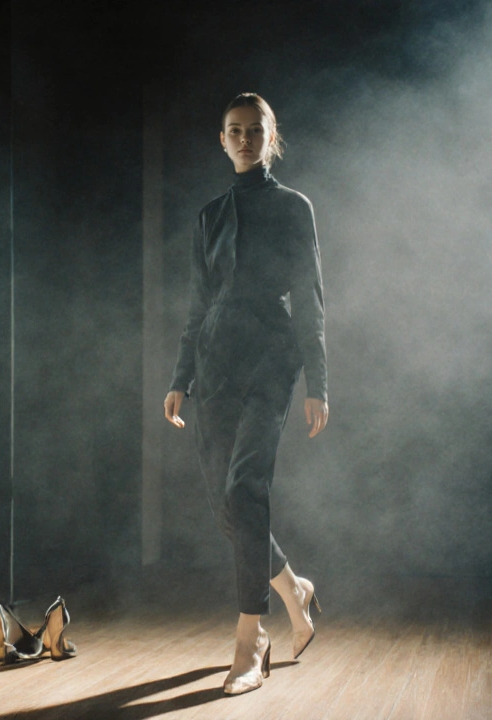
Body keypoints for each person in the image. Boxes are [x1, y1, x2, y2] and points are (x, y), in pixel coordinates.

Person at [164, 93, 329, 696]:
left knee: (245, 487)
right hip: (214, 364)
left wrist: (318, 381)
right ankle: (293, 588)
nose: (243, 139)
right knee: (225, 506)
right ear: (222, 139)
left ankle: (250, 638)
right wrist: (180, 377)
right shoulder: (209, 215)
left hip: (270, 359)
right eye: (233, 131)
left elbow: (310, 297)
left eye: (253, 130)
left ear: (270, 136)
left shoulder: (293, 207)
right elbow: (196, 304)